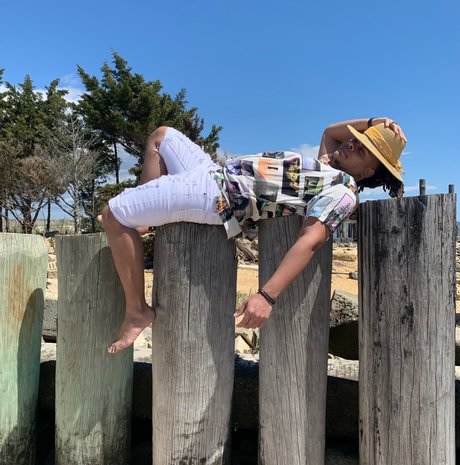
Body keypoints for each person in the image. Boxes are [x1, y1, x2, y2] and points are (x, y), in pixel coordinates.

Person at [101, 117, 407, 353]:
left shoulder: (343, 192)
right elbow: (331, 131)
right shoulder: (328, 163)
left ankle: (137, 310)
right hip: (214, 172)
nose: (351, 144)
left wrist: (267, 296)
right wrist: (375, 122)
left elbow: (310, 240)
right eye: (357, 140)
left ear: (366, 173)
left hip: (215, 196)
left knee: (113, 215)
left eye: (362, 150)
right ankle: (142, 222)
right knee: (162, 135)